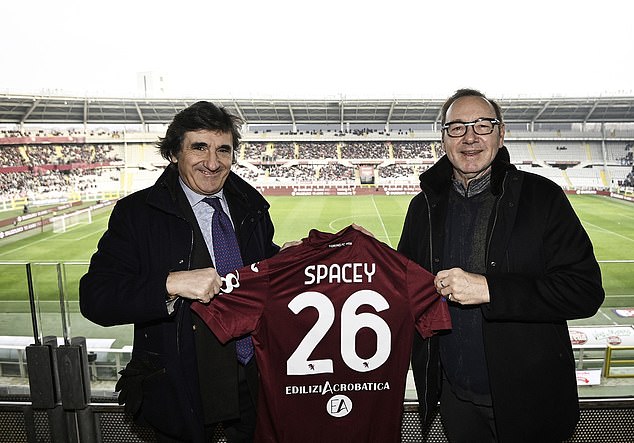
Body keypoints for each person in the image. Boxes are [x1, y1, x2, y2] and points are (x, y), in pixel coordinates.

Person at [397, 89, 605, 442]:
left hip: (531, 402)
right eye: (457, 127)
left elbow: (584, 291)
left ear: (501, 133)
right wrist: (358, 249)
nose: (470, 137)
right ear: (443, 137)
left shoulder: (542, 198)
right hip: (455, 398)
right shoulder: (423, 207)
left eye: (483, 125)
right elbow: (405, 283)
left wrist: (490, 290)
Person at [80, 101, 280, 443]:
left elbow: (259, 267)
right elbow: (96, 297)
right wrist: (169, 284)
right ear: (174, 153)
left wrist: (293, 256)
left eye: (223, 150)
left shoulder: (252, 206)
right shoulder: (137, 214)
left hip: (253, 378)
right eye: (199, 148)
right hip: (181, 386)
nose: (213, 162)